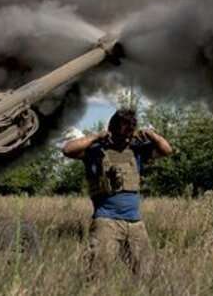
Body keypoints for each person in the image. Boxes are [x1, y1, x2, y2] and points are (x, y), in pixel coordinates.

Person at [62, 108, 173, 276]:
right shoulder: (96, 151)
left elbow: (167, 150)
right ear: (112, 131)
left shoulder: (137, 150)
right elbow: (68, 150)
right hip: (106, 222)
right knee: (96, 275)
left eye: (129, 134)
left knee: (147, 275)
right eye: (122, 134)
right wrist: (96, 136)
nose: (126, 139)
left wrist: (150, 135)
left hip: (135, 224)